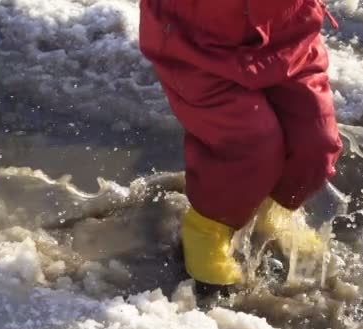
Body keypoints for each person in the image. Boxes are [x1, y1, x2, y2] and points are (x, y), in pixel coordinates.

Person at [139, 0, 343, 287]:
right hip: (196, 44)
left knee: (315, 142)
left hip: (287, 34)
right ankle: (207, 229)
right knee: (251, 144)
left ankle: (270, 211)